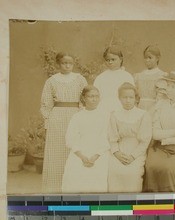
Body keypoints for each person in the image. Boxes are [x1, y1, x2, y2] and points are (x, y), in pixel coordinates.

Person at [40, 52, 87, 193]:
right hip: (57, 117)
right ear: (58, 64)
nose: (67, 66)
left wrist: (84, 116)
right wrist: (47, 120)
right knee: (57, 150)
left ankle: (74, 184)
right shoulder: (52, 81)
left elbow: (85, 98)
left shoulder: (80, 79)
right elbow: (46, 103)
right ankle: (55, 185)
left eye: (70, 63)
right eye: (64, 63)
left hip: (75, 115)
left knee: (74, 148)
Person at [62, 85, 110, 193]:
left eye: (97, 96)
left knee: (96, 183)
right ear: (84, 98)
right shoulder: (77, 116)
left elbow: (106, 138)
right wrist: (82, 156)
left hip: (99, 154)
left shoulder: (105, 116)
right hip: (79, 153)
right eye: (91, 96)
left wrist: (95, 156)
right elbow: (70, 138)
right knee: (74, 178)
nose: (94, 99)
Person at [108, 82, 152, 192]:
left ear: (136, 99)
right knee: (114, 171)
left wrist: (133, 156)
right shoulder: (114, 114)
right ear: (119, 98)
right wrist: (117, 153)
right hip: (119, 149)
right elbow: (112, 138)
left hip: (137, 150)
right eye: (124, 97)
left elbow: (145, 141)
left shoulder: (143, 115)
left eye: (131, 97)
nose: (127, 100)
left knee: (132, 174)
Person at [93, 46, 135, 113]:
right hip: (103, 108)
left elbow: (131, 95)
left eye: (113, 59)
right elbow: (96, 95)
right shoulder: (100, 77)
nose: (110, 62)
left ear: (120, 59)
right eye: (108, 60)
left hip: (121, 108)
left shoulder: (127, 76)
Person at [134, 45, 167, 111]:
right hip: (140, 107)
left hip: (154, 108)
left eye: (150, 58)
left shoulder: (161, 76)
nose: (147, 60)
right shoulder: (139, 76)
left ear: (157, 58)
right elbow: (136, 96)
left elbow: (161, 97)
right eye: (145, 58)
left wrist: (155, 110)